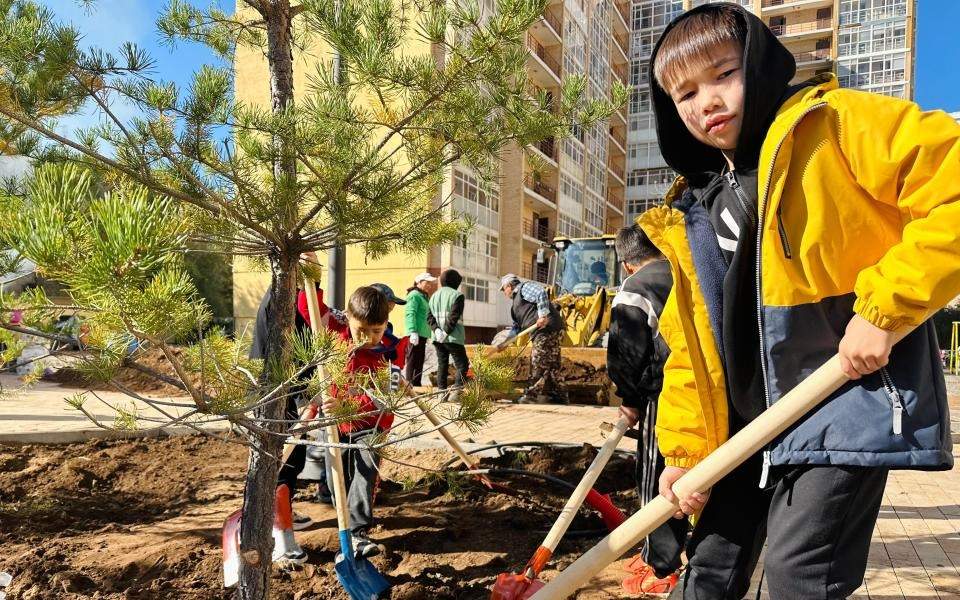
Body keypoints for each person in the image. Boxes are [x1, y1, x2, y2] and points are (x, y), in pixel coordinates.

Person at [642, 5, 959, 598]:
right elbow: (693, 351)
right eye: (683, 92)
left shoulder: (835, 127)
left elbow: (954, 188)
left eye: (722, 74)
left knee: (799, 575)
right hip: (745, 428)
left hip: (841, 398)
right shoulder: (696, 211)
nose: (705, 101)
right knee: (707, 569)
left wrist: (883, 310)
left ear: (759, 65)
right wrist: (686, 451)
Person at [607, 225, 685, 595]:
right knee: (688, 476)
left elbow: (628, 352)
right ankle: (661, 552)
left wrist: (630, 398)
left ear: (627, 264)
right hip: (702, 390)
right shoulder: (683, 271)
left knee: (657, 479)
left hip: (665, 394)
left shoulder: (635, 289)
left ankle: (662, 568)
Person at [319, 286, 400, 559]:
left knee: (365, 474)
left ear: (386, 324)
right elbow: (311, 309)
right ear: (348, 318)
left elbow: (384, 401)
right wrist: (313, 278)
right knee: (336, 480)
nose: (367, 338)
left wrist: (348, 407)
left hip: (372, 425)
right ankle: (344, 517)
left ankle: (357, 532)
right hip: (334, 424)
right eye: (361, 331)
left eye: (376, 331)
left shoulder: (390, 354)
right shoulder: (335, 336)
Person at [499, 274, 566, 404]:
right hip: (546, 331)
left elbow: (540, 292)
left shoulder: (524, 288)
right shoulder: (515, 308)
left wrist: (542, 315)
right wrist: (506, 342)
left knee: (538, 361)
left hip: (546, 329)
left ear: (509, 285)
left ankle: (532, 395)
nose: (504, 293)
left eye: (503, 289)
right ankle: (561, 396)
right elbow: (517, 328)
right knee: (552, 365)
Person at [427, 269, 469, 393]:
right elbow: (454, 317)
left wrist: (437, 331)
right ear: (456, 282)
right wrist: (445, 332)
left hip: (437, 338)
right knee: (462, 364)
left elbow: (429, 317)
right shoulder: (457, 295)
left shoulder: (434, 295)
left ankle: (441, 393)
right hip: (453, 337)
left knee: (442, 365)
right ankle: (456, 391)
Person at [404, 272, 438, 386]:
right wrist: (412, 331)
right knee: (412, 360)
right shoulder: (414, 295)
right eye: (427, 282)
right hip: (415, 333)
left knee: (419, 361)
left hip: (423, 334)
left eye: (430, 283)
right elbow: (410, 313)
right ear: (419, 282)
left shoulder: (423, 296)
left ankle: (417, 384)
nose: (429, 285)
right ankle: (409, 385)